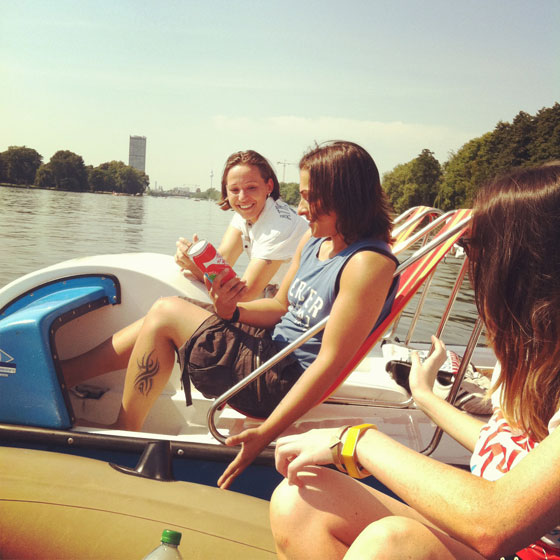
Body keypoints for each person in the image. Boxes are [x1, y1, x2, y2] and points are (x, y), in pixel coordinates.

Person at [62, 140, 400, 489]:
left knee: (166, 312)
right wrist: (233, 311)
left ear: (344, 196)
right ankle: (65, 375)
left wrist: (267, 432)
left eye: (308, 197)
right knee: (169, 309)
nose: (300, 209)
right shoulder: (316, 241)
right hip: (269, 349)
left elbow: (329, 362)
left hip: (279, 379)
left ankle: (121, 434)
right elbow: (279, 307)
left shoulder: (366, 264)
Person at [270, 164, 560, 560]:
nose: (470, 263)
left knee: (394, 544)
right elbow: (513, 452)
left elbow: (495, 523)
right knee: (301, 500)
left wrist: (358, 441)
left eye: (474, 247)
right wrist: (425, 397)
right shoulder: (537, 360)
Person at [174, 149, 309, 301]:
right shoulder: (248, 212)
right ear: (226, 191)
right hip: (274, 293)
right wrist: (193, 260)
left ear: (269, 186)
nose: (243, 197)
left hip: (299, 304)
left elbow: (243, 296)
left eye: (251, 187)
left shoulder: (277, 228)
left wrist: (194, 268)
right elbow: (222, 266)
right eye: (234, 190)